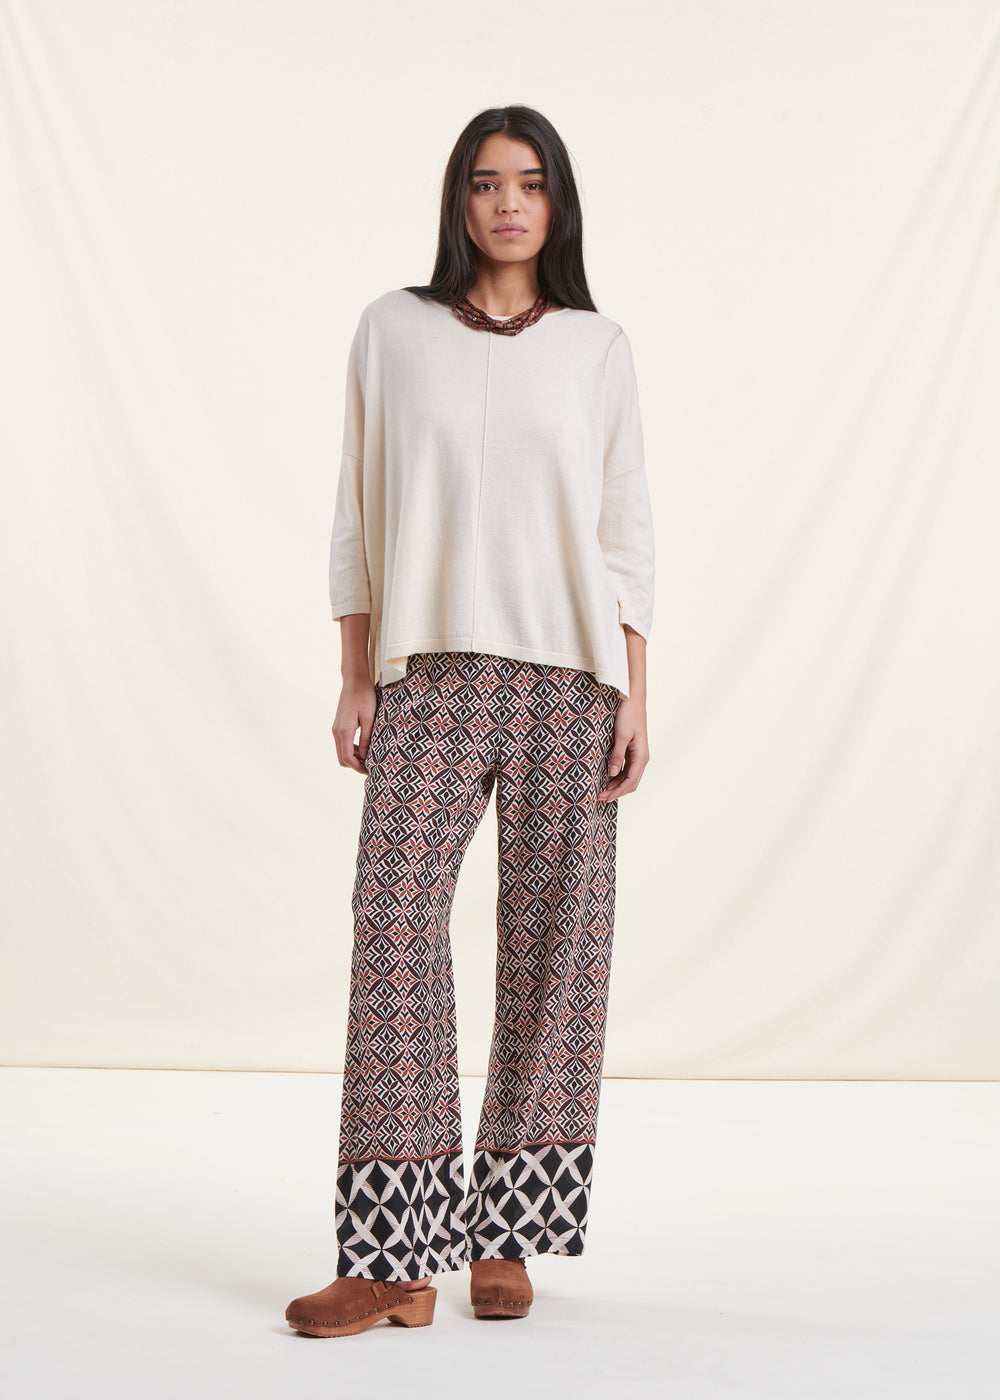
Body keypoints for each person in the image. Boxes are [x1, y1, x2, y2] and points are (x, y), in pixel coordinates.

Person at [286, 104, 655, 1339]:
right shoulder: (392, 331)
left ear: (557, 204)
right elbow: (357, 507)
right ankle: (392, 1256)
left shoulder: (597, 347)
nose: (508, 204)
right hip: (429, 674)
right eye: (487, 182)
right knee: (391, 924)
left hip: (568, 680)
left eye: (530, 183)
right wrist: (355, 671)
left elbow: (625, 532)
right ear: (458, 200)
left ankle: (505, 1229)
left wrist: (634, 689)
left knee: (557, 947)